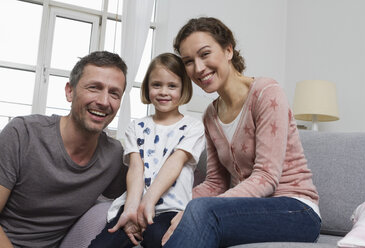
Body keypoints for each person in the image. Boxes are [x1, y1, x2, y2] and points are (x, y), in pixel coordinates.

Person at [161, 17, 322, 248]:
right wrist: (169, 203)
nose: (198, 68)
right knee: (171, 214)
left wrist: (193, 208)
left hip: (296, 210)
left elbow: (266, 178)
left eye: (205, 54)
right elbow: (215, 184)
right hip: (247, 211)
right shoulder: (210, 115)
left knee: (202, 211)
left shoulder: (266, 93)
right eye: (188, 61)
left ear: (228, 50)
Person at [0, 51, 128, 248]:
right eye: (94, 88)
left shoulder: (113, 155)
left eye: (114, 93)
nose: (104, 101)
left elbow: (141, 194)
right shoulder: (22, 134)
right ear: (70, 91)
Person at [89, 53, 205, 248]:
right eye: (156, 85)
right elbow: (135, 168)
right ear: (147, 88)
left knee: (156, 237)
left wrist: (148, 203)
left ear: (183, 88)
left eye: (172, 86)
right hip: (134, 204)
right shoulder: (136, 127)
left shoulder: (193, 127)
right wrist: (132, 208)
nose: (163, 92)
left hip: (172, 210)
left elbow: (175, 162)